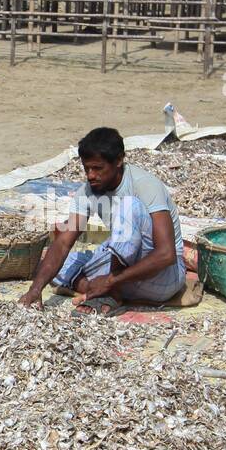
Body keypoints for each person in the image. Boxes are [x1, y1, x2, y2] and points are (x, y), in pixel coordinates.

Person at [19, 127, 185, 316]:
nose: (90, 175)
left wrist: (109, 281)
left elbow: (166, 254)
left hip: (163, 277)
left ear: (119, 161)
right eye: (87, 168)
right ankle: (97, 288)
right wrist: (36, 289)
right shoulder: (88, 191)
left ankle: (110, 293)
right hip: (127, 274)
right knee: (52, 261)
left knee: (128, 205)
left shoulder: (144, 184)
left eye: (98, 168)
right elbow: (64, 242)